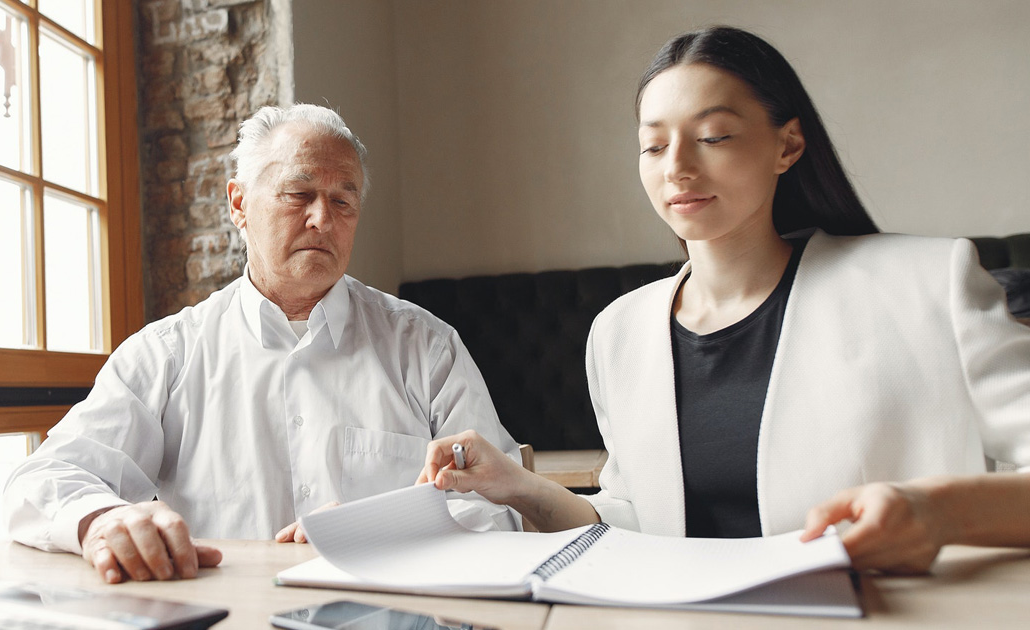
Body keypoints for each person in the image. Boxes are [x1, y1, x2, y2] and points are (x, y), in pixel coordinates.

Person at [419, 26, 1030, 574]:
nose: (677, 167)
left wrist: (939, 513)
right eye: (654, 146)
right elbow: (642, 529)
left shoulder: (927, 284)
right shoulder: (621, 331)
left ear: (788, 146)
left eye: (712, 136)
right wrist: (517, 485)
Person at [5, 104, 521, 584]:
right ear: (239, 205)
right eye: (299, 195)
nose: (323, 218)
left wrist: (386, 528)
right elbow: (43, 479)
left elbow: (504, 502)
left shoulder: (426, 346)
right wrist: (103, 520)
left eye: (344, 200)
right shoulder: (166, 355)